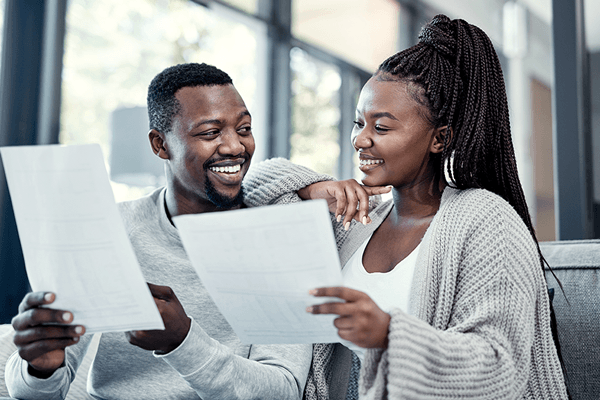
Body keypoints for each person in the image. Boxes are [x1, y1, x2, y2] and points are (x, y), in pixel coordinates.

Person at [4, 63, 340, 400]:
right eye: (211, 132)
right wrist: (40, 367)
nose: (235, 147)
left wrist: (182, 341)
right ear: (160, 145)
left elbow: (283, 390)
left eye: (244, 128)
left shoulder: (281, 242)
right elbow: (33, 391)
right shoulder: (114, 230)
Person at [293, 14, 569, 399]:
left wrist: (389, 334)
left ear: (440, 139)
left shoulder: (487, 220)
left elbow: (497, 365)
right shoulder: (358, 219)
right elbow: (240, 199)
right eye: (359, 123)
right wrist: (308, 188)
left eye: (382, 127)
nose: (360, 140)